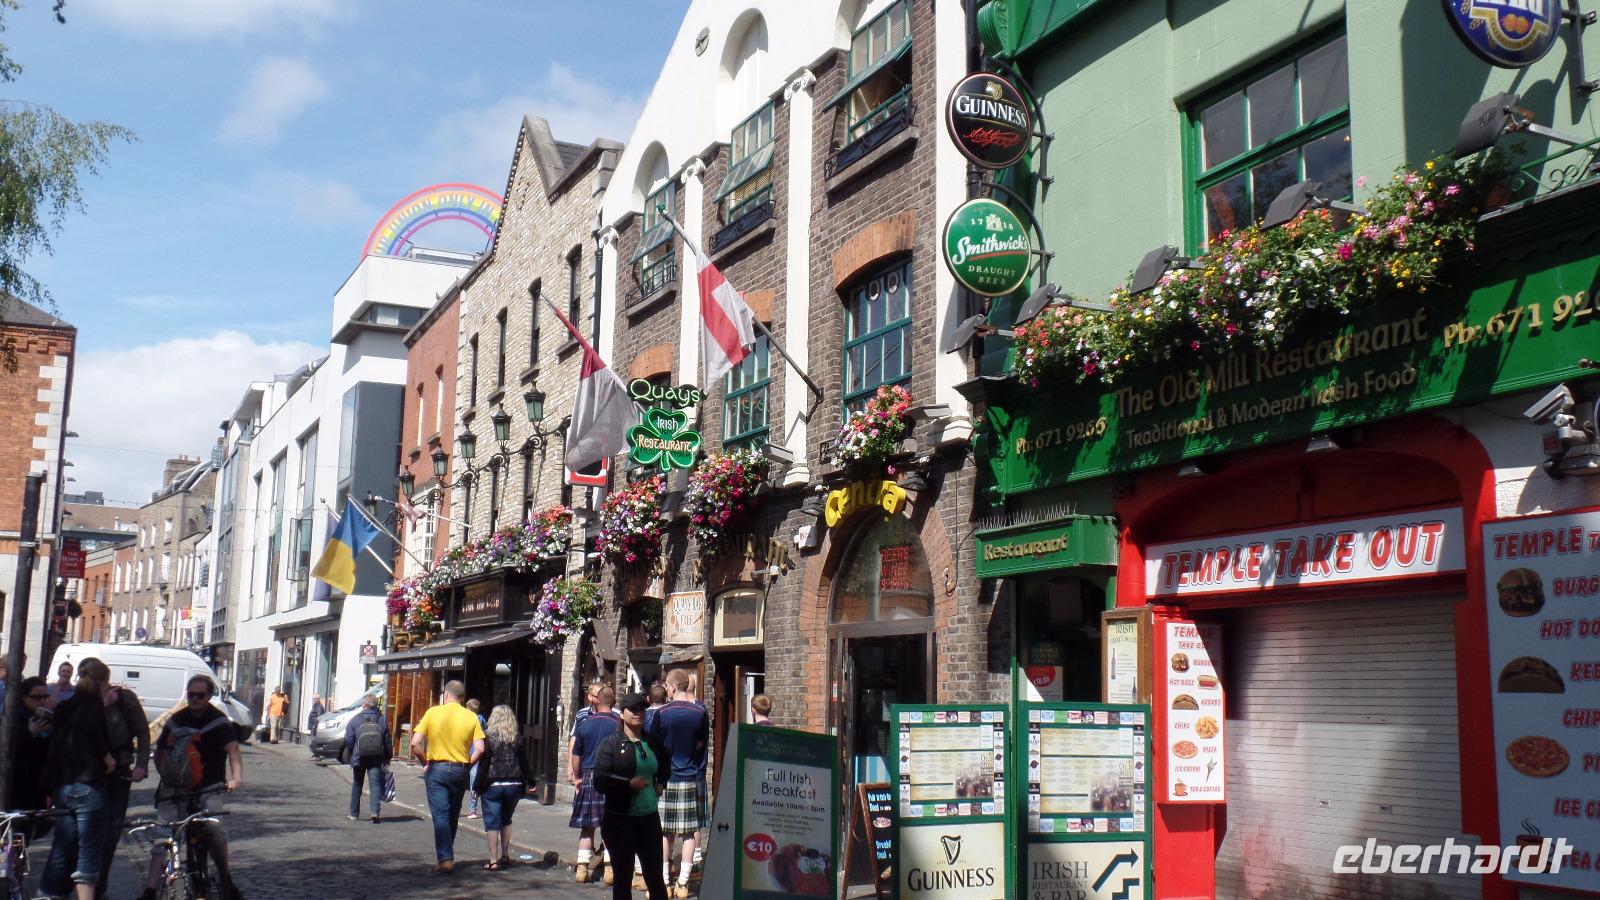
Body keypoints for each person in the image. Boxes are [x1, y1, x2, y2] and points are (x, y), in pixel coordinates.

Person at [141, 675, 243, 900]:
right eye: (191, 694)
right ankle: (149, 889)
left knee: (215, 829)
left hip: (209, 785)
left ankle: (225, 877)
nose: (195, 699)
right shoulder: (175, 720)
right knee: (164, 833)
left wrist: (236, 778)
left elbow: (233, 750)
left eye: (200, 695)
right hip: (175, 786)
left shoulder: (219, 721)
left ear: (209, 697)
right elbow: (161, 753)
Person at [40, 658, 115, 900]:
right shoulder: (93, 706)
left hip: (64, 785)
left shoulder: (65, 706)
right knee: (88, 854)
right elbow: (93, 732)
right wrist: (108, 759)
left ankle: (48, 894)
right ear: (102, 681)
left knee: (62, 848)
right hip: (88, 784)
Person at [593, 692, 669, 900]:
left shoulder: (652, 741)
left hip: (649, 818)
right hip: (620, 819)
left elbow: (665, 763)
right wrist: (627, 785)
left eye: (641, 710)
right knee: (623, 878)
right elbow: (599, 780)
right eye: (633, 710)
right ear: (622, 714)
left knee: (655, 877)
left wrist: (661, 782)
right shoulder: (611, 744)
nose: (638, 714)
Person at [408, 681, 485, 874]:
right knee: (452, 814)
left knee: (440, 815)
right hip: (460, 770)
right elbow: (481, 749)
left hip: (437, 768)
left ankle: (445, 858)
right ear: (462, 697)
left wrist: (425, 763)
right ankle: (446, 853)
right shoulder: (471, 717)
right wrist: (467, 764)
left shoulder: (433, 713)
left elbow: (415, 743)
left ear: (446, 694)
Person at [651, 669, 709, 898]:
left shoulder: (662, 713)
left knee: (664, 833)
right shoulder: (699, 712)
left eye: (667, 685)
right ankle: (683, 883)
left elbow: (653, 747)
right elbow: (702, 744)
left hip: (666, 779)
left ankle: (664, 881)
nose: (666, 689)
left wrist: (655, 777)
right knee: (688, 833)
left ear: (672, 687)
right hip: (690, 775)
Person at [96, 662, 150, 900]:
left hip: (119, 769)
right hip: (89, 771)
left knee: (112, 828)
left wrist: (141, 765)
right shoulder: (86, 700)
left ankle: (100, 883)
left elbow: (142, 730)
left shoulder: (125, 698)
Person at [569, 685, 619, 884]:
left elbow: (576, 754)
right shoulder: (618, 724)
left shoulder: (585, 723)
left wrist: (577, 776)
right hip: (612, 778)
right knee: (610, 826)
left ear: (597, 701)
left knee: (587, 827)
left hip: (589, 775)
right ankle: (609, 871)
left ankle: (582, 869)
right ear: (613, 703)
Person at [475, 705, 528, 872]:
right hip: (513, 783)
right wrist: (531, 782)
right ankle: (505, 855)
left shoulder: (488, 738)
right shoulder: (517, 738)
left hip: (493, 784)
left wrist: (477, 786)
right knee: (506, 820)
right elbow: (524, 763)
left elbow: (483, 766)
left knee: (492, 823)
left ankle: (493, 860)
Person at [344, 695, 390, 823]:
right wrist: (387, 757)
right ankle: (375, 813)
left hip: (359, 757)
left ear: (364, 705)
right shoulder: (381, 720)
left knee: (357, 784)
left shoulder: (355, 720)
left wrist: (354, 750)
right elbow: (387, 740)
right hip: (376, 758)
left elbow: (349, 739)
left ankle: (353, 814)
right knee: (375, 784)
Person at [10, 676, 52, 814]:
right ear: (24, 697)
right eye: (36, 697)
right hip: (16, 785)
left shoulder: (41, 718)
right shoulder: (13, 717)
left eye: (45, 697)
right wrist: (31, 733)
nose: (41, 701)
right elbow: (10, 749)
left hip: (37, 784)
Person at [465, 698, 486, 819]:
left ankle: (472, 810)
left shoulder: (469, 720)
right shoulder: (482, 720)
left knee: (471, 780)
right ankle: (473, 809)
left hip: (470, 753)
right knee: (475, 781)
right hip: (478, 754)